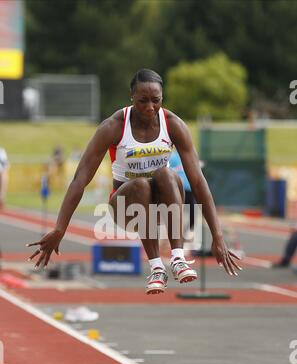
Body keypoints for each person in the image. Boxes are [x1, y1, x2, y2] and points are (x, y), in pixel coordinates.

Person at [27, 68, 242, 294]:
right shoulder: (114, 126)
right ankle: (156, 267)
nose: (150, 107)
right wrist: (60, 228)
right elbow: (79, 181)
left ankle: (178, 258)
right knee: (140, 183)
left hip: (164, 202)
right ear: (132, 97)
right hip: (127, 206)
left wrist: (217, 236)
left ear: (162, 98)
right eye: (142, 101)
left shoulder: (173, 125)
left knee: (166, 173)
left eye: (155, 101)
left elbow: (198, 183)